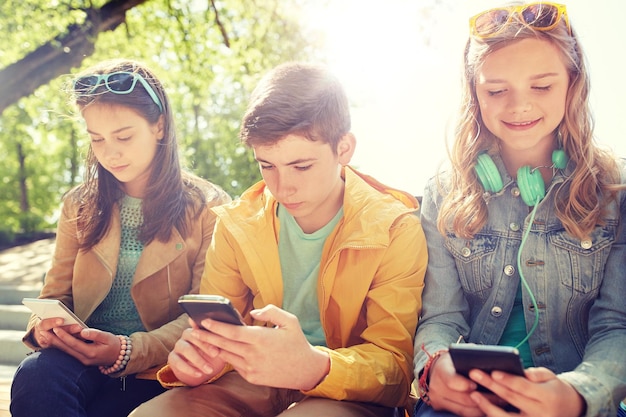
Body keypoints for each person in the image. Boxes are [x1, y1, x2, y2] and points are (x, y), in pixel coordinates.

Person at [129, 62, 428, 417]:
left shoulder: (395, 227)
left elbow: (395, 369)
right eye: (266, 165)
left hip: (346, 394)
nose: (283, 186)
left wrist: (314, 365)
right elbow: (216, 334)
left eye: (302, 166)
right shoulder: (237, 223)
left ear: (344, 149)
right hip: (250, 380)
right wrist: (198, 361)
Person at [413, 2, 626, 417]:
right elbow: (439, 317)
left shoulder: (615, 191)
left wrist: (577, 394)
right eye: (496, 91)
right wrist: (433, 369)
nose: (519, 106)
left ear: (573, 84)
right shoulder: (443, 193)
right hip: (466, 406)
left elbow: (618, 324)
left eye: (542, 87)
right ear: (474, 93)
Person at [10, 58, 231, 417]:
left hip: (159, 367)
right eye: (96, 139)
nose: (110, 152)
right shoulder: (78, 204)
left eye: (124, 136)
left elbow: (206, 318)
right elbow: (53, 297)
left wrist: (126, 350)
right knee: (36, 376)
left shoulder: (208, 206)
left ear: (159, 127)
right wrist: (45, 330)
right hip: (79, 359)